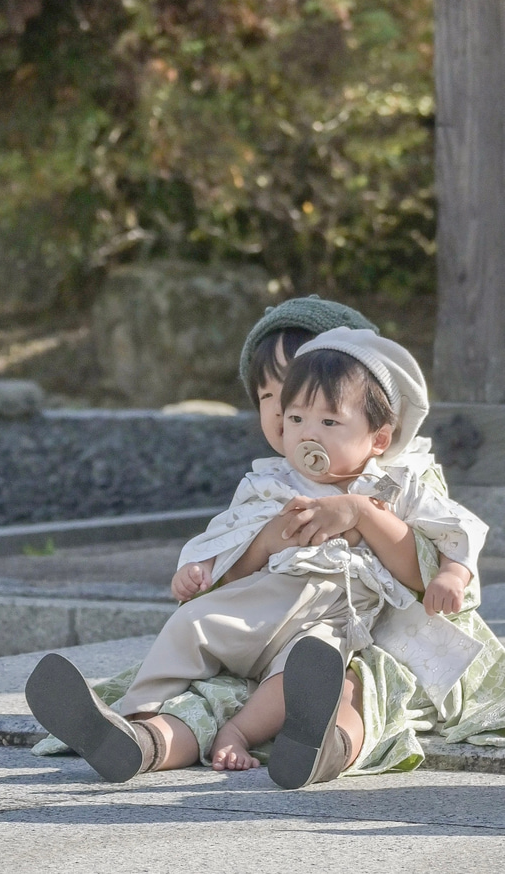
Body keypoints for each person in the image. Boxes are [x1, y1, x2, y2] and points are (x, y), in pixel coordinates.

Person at [25, 327, 487, 788]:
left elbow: (455, 529)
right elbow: (228, 536)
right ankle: (135, 719)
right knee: (194, 623)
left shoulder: (393, 484)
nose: (309, 435)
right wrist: (202, 569)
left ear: (380, 439)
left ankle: (247, 732)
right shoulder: (270, 482)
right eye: (296, 418)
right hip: (262, 600)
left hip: (332, 610)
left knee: (308, 668)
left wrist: (452, 571)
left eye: (329, 423)